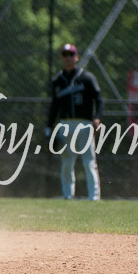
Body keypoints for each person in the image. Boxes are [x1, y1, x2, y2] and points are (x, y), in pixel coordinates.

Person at [46, 43, 103, 201]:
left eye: (71, 54)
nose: (68, 58)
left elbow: (99, 99)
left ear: (76, 57)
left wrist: (97, 117)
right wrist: (49, 128)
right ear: (62, 58)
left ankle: (94, 197)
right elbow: (54, 107)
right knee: (67, 162)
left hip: (84, 124)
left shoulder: (87, 78)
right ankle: (67, 195)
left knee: (89, 162)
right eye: (65, 54)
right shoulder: (58, 80)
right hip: (65, 124)